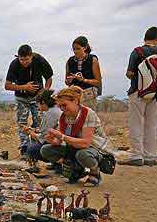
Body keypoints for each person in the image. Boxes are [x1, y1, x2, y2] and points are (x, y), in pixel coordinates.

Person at [40, 86, 111, 186]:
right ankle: (75, 167)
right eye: (60, 106)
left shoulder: (88, 114)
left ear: (76, 101)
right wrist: (51, 139)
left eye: (64, 105)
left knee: (83, 154)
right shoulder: (64, 117)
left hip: (93, 148)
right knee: (45, 149)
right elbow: (58, 142)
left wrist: (62, 137)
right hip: (75, 147)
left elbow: (86, 143)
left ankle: (95, 171)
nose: (62, 109)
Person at [5, 44, 53, 158]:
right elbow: (7, 86)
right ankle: (25, 150)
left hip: (37, 99)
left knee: (39, 123)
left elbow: (49, 78)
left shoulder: (39, 60)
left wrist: (44, 93)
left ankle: (38, 151)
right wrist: (24, 87)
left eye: (26, 59)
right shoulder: (14, 64)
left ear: (31, 56)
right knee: (22, 124)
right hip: (21, 98)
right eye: (21, 59)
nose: (24, 62)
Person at [119, 26, 157, 166]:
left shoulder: (138, 51)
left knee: (136, 123)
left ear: (145, 38)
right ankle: (151, 156)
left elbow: (129, 73)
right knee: (151, 125)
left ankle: (136, 156)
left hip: (138, 91)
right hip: (155, 95)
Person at [23, 89, 62, 173]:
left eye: (38, 103)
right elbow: (45, 131)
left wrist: (30, 133)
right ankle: (56, 163)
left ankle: (58, 163)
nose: (38, 106)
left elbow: (43, 138)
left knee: (31, 149)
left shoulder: (50, 113)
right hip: (61, 141)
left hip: (59, 144)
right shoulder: (55, 110)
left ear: (43, 102)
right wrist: (34, 130)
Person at [65, 36, 102, 110]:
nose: (75, 51)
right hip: (75, 94)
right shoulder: (70, 61)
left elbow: (98, 82)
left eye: (78, 49)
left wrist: (83, 80)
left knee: (87, 117)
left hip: (89, 93)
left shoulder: (92, 60)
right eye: (74, 49)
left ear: (85, 48)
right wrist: (69, 80)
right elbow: (66, 82)